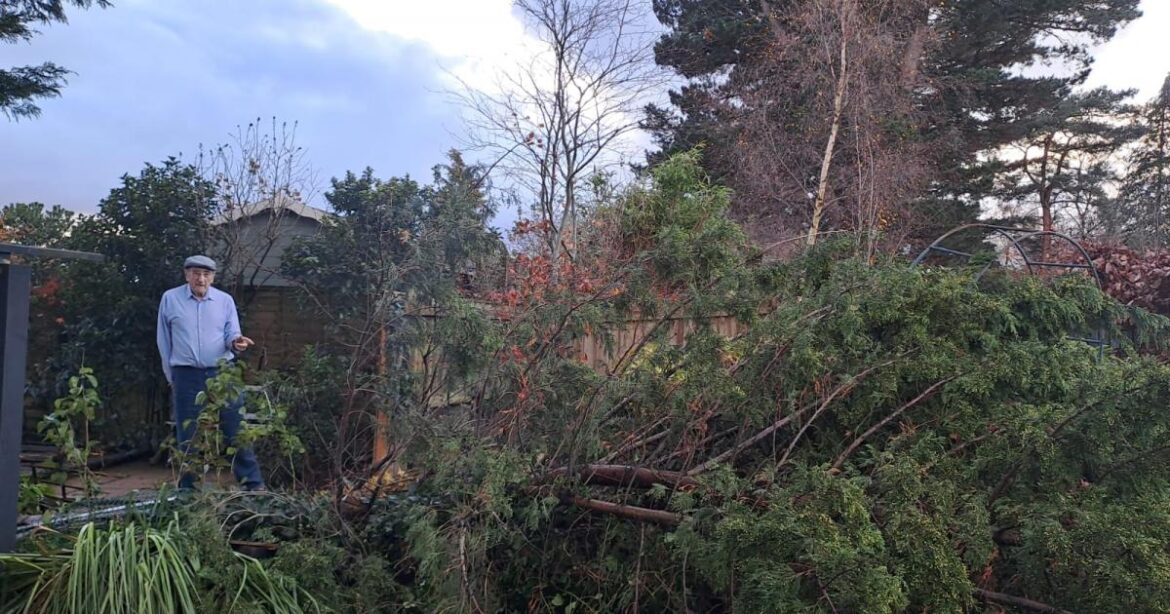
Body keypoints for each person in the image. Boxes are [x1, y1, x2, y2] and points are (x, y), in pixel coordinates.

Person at [156, 255, 264, 491]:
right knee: (188, 435)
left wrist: (237, 343)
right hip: (185, 375)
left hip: (222, 373)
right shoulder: (170, 299)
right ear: (186, 275)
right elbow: (164, 342)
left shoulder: (225, 301)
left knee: (236, 429)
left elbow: (232, 334)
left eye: (206, 274)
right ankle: (188, 491)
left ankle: (253, 487)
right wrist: (171, 377)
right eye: (195, 273)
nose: (201, 278)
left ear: (213, 277)